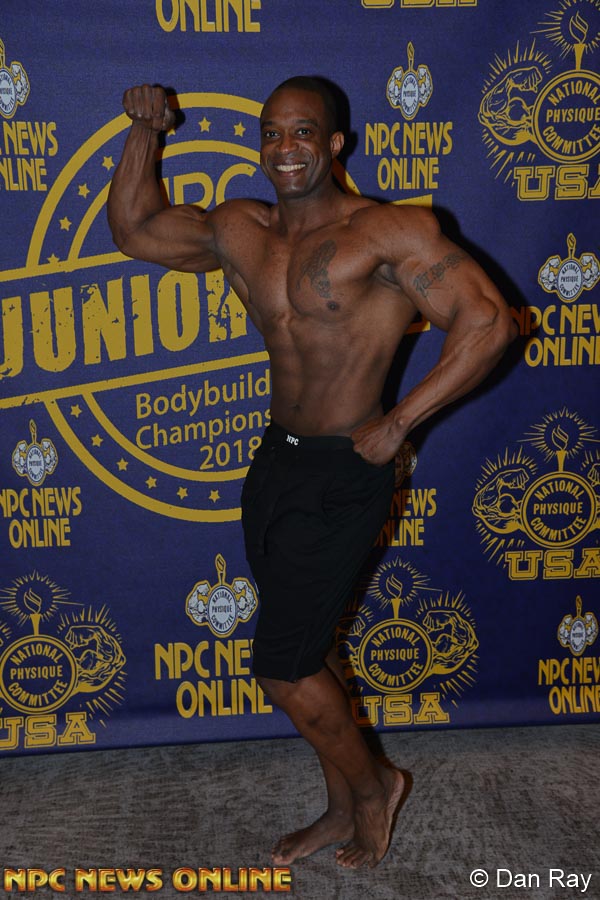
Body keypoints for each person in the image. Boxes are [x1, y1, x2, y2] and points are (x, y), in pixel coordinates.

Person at [108, 76, 517, 869]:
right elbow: (137, 231)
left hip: (345, 472)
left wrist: (399, 422)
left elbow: (490, 320)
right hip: (276, 465)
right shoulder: (241, 227)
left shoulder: (387, 231)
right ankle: (338, 806)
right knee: (315, 650)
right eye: (272, 132)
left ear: (335, 144)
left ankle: (375, 788)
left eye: (302, 132)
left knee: (285, 668)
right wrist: (145, 133)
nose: (285, 147)